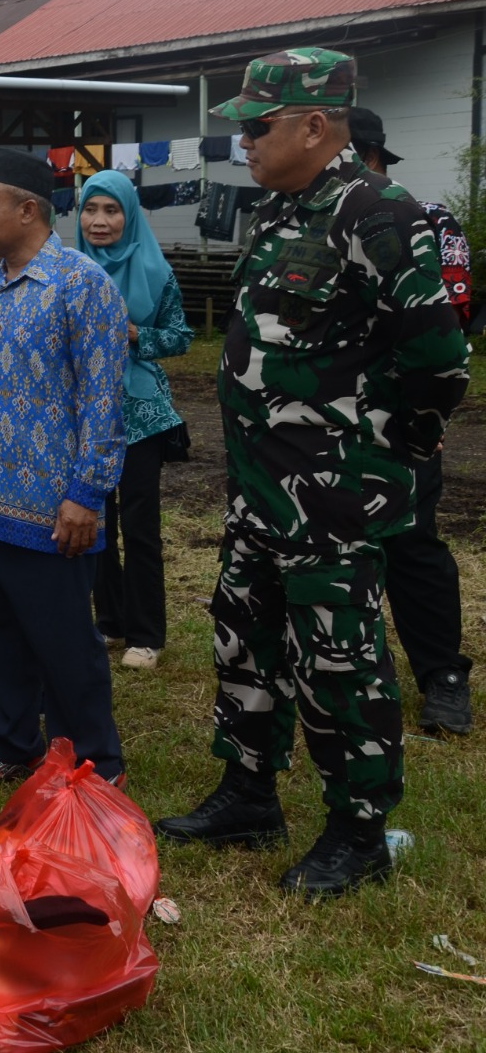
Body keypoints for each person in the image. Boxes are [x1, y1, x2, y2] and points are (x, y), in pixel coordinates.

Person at [155, 50, 470, 898]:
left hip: (333, 494)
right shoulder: (282, 210)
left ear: (315, 126)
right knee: (244, 632)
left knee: (338, 655)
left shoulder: (377, 212)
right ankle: (249, 792)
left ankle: (358, 829)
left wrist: (390, 446)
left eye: (257, 127)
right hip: (263, 486)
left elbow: (438, 357)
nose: (244, 143)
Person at [0, 147, 129, 789]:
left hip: (53, 509)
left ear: (27, 209)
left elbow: (102, 400)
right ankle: (13, 742)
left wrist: (86, 494)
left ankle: (95, 765)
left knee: (66, 643)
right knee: (1, 632)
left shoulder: (82, 285)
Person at [348, 106, 473, 736]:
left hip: (399, 422)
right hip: (321, 426)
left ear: (365, 154)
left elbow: (453, 318)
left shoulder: (424, 218)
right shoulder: (306, 219)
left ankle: (443, 677)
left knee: (412, 541)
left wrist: (426, 410)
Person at [77, 169, 193, 672]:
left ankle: (147, 634)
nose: (99, 221)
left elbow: (180, 335)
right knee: (92, 521)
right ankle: (110, 622)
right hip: (82, 414)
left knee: (139, 525)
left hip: (140, 414)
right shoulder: (66, 269)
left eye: (111, 210)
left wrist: (133, 335)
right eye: (90, 209)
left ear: (129, 215)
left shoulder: (155, 270)